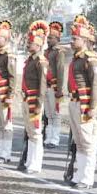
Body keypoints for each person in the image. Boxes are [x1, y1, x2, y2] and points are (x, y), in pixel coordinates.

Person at [67, 15, 97, 189]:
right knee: (79, 140)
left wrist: (92, 107)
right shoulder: (77, 57)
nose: (72, 41)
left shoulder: (91, 58)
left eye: (75, 38)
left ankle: (87, 178)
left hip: (84, 102)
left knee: (87, 141)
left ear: (85, 40)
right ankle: (79, 174)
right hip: (74, 100)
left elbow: (95, 83)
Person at [20, 21, 49, 174]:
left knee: (36, 133)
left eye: (30, 43)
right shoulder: (31, 59)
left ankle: (36, 164)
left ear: (38, 45)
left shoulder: (41, 61)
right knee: (30, 132)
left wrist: (39, 104)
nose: (27, 44)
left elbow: (43, 85)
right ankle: (30, 161)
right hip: (26, 98)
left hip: (34, 100)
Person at [0, 20, 17, 164]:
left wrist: (10, 95)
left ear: (6, 39)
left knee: (6, 125)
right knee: (0, 124)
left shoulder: (9, 55)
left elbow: (12, 77)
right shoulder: (0, 54)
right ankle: (0, 150)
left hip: (4, 93)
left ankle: (6, 153)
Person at [43, 21, 68, 149]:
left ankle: (55, 139)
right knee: (49, 114)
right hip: (45, 86)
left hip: (54, 87)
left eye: (51, 38)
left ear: (57, 39)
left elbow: (60, 71)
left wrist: (59, 89)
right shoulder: (46, 52)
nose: (48, 40)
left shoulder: (59, 52)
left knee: (56, 114)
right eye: (48, 38)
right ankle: (48, 137)